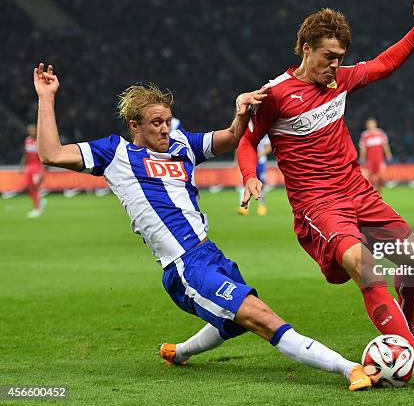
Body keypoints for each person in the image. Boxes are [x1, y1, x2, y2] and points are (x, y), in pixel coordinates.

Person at [33, 63, 372, 391]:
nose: (165, 129)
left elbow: (230, 138)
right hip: (184, 267)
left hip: (210, 254)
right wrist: (46, 97)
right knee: (261, 316)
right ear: (134, 126)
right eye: (156, 123)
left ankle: (178, 352)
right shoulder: (114, 153)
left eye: (167, 121)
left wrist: (240, 113)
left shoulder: (182, 146)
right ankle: (348, 368)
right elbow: (50, 153)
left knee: (234, 323)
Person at [238, 0, 414, 383]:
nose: (335, 66)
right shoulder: (276, 95)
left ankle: (409, 323)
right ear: (306, 48)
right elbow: (248, 141)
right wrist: (250, 175)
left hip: (358, 191)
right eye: (328, 57)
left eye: (340, 58)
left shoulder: (341, 80)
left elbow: (384, 64)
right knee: (365, 268)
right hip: (319, 205)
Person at [237, 135, 272, 216]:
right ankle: (243, 207)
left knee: (261, 184)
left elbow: (268, 148)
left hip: (260, 163)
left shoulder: (263, 134)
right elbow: (240, 147)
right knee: (245, 183)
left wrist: (258, 154)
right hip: (248, 162)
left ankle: (261, 206)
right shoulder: (246, 132)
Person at [359, 118, 392, 192]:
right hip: (370, 160)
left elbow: (385, 145)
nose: (371, 125)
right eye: (369, 124)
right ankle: (374, 194)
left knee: (381, 177)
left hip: (380, 160)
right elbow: (363, 148)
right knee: (371, 178)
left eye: (372, 124)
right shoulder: (365, 135)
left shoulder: (380, 133)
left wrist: (388, 155)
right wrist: (362, 158)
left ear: (375, 124)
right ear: (366, 125)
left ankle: (379, 192)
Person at [22, 124, 46, 218]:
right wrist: (21, 166)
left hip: (37, 167)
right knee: (25, 187)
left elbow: (43, 156)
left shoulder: (40, 141)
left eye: (32, 130)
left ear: (36, 130)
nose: (31, 131)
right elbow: (25, 154)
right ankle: (40, 201)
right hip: (28, 167)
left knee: (35, 188)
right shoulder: (27, 140)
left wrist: (42, 170)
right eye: (29, 130)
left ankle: (37, 209)